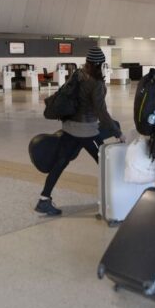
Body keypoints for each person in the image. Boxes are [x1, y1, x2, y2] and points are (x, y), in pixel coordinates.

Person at [35, 47, 125, 216]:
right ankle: (115, 201)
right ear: (100, 64)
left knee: (60, 162)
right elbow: (101, 112)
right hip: (86, 131)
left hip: (69, 128)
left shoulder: (78, 75)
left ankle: (44, 199)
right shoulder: (96, 84)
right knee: (105, 163)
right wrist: (117, 133)